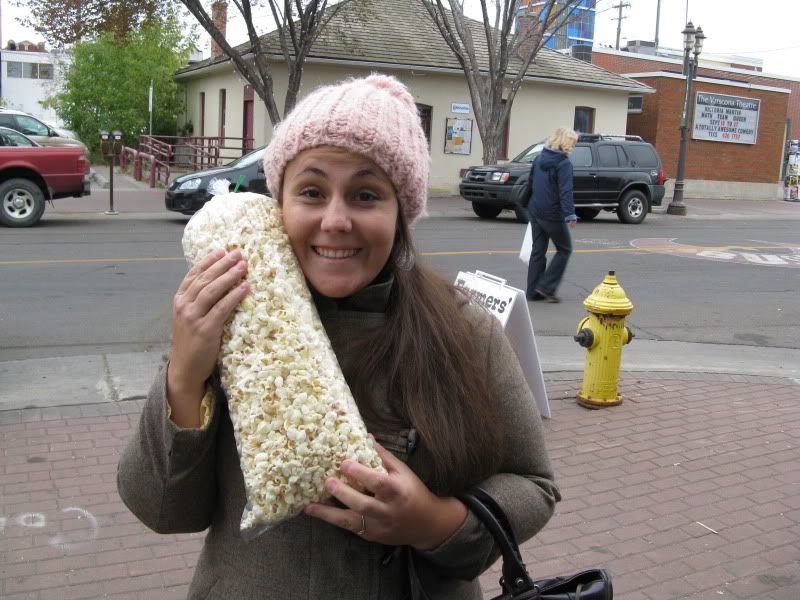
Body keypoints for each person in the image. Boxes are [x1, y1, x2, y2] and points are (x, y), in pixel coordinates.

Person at [117, 74, 559, 599]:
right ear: (277, 202)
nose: (335, 220)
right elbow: (163, 510)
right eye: (311, 191)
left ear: (401, 213)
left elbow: (532, 484)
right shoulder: (229, 318)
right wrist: (185, 375)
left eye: (366, 195)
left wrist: (433, 523)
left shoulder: (465, 329)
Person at [526, 127, 579, 304]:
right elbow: (566, 191)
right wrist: (570, 214)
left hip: (535, 210)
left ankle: (532, 291)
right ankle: (546, 286)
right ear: (567, 143)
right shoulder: (563, 163)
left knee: (538, 251)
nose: (574, 146)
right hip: (552, 214)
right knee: (565, 249)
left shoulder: (539, 158)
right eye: (574, 142)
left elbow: (530, 183)